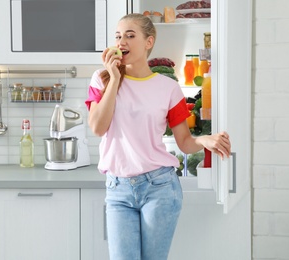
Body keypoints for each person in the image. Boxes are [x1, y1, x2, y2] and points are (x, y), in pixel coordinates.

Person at [85, 13, 231, 260]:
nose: (122, 42)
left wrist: (204, 140)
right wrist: (115, 79)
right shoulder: (102, 79)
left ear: (148, 42)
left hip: (160, 187)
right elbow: (98, 128)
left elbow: (184, 142)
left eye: (130, 36)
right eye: (118, 36)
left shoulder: (168, 88)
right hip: (118, 190)